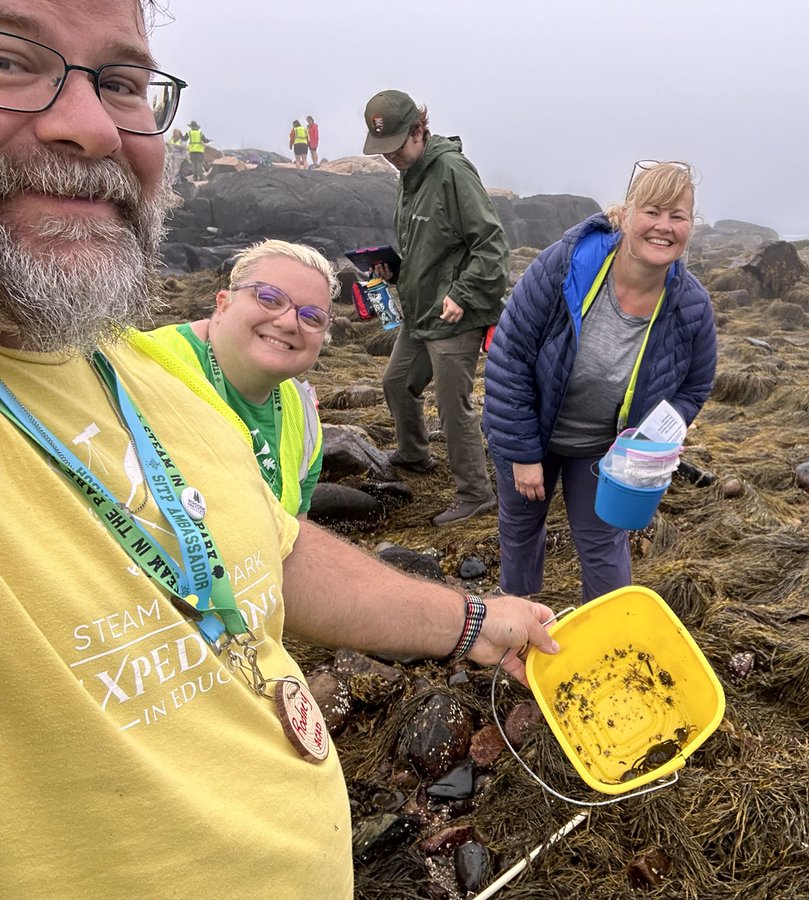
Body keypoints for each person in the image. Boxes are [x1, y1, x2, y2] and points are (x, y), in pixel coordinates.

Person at [0, 2, 557, 896]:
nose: (91, 126)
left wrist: (475, 620)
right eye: (10, 59)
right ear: (216, 304)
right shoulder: (165, 362)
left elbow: (275, 551)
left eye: (125, 83)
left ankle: (459, 478)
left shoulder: (139, 384)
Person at [482, 161, 717, 602]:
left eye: (678, 216)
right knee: (520, 530)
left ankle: (612, 637)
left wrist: (653, 438)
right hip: (531, 431)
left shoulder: (691, 306)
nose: (663, 227)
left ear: (691, 226)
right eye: (652, 211)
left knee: (604, 545)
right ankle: (515, 624)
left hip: (604, 450)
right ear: (626, 214)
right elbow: (510, 354)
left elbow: (694, 386)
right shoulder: (568, 264)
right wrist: (523, 454)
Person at [362, 89, 508, 527]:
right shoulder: (410, 176)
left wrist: (462, 294)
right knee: (396, 383)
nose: (391, 159)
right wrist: (394, 269)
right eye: (383, 152)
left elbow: (492, 245)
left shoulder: (450, 170)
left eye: (396, 149)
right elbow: (430, 245)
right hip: (421, 311)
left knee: (452, 404)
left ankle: (476, 494)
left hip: (456, 314)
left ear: (420, 131)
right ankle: (414, 455)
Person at [147, 239, 335, 517]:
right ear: (223, 304)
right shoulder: (144, 366)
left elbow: (297, 533)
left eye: (311, 318)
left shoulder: (305, 418)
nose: (288, 323)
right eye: (270, 299)